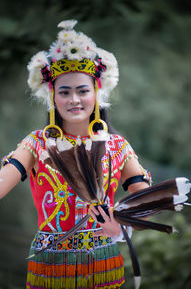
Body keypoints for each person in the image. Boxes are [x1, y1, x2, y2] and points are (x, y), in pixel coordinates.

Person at [0, 20, 151, 289]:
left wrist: (120, 226)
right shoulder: (36, 144)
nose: (74, 100)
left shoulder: (117, 146)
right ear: (53, 98)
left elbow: (147, 208)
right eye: (64, 92)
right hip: (49, 269)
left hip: (102, 267)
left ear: (97, 93)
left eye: (83, 91)